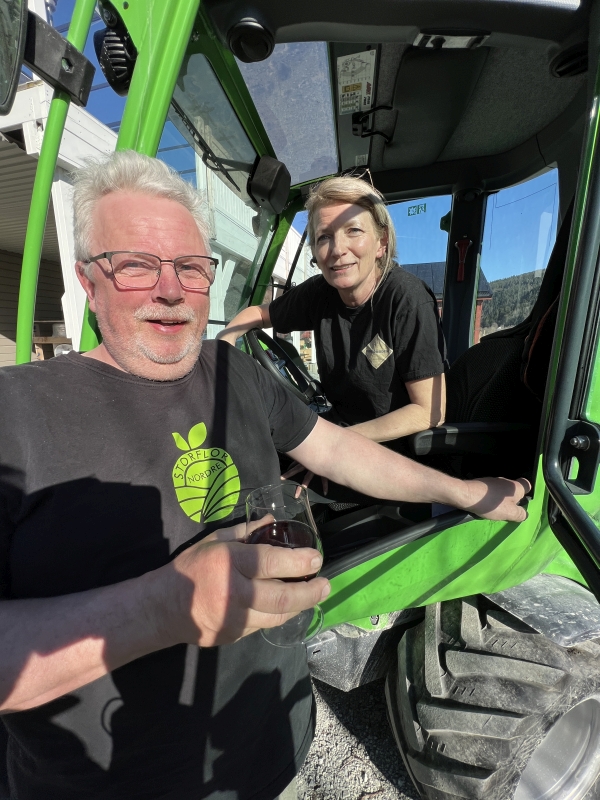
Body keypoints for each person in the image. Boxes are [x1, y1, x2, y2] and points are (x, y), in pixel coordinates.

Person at [0, 151, 528, 800]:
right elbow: (265, 322)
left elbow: (338, 449)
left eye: (192, 268)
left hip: (277, 744)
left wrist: (468, 492)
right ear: (88, 278)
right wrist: (163, 607)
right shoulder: (14, 414)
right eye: (136, 265)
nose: (171, 290)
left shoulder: (241, 376)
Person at [219, 176, 447, 454]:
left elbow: (429, 412)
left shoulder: (407, 299)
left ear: (381, 242)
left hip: (393, 450)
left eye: (353, 230)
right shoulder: (321, 292)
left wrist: (334, 445)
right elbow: (257, 313)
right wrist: (224, 344)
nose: (337, 250)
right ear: (314, 251)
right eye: (324, 237)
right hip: (340, 429)